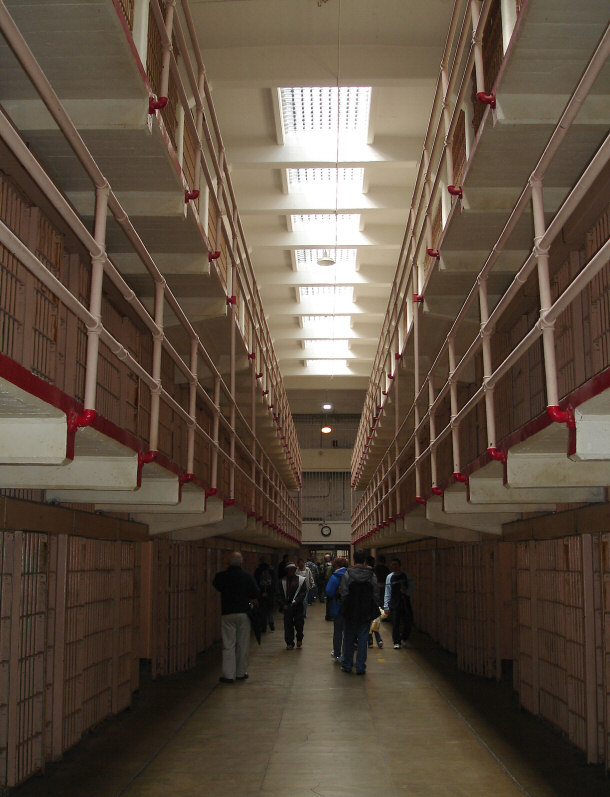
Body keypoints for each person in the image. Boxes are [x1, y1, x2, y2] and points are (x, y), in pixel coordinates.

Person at [213, 551, 260, 683]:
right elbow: (255, 592)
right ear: (241, 562)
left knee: (228, 645)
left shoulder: (222, 576)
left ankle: (228, 675)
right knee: (242, 644)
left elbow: (216, 584)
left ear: (229, 562)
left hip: (227, 613)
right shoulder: (247, 576)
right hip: (243, 613)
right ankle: (240, 673)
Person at [338, 550, 378, 674]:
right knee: (363, 638)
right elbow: (375, 594)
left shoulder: (347, 574)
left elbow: (343, 592)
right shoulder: (371, 575)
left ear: (353, 559)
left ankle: (347, 664)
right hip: (365, 610)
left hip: (350, 610)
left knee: (348, 638)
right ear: (364, 559)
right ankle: (360, 666)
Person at [384, 557, 415, 649]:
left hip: (405, 602)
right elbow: (387, 592)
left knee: (408, 622)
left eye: (396, 564)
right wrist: (386, 606)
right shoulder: (389, 577)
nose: (394, 567)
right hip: (394, 603)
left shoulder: (406, 576)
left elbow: (412, 587)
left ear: (400, 566)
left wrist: (407, 592)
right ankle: (396, 641)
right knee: (395, 623)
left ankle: (404, 638)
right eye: (392, 565)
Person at [277, 562, 307, 649]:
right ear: (287, 571)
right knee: (288, 625)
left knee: (299, 624)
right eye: (289, 569)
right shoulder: (282, 581)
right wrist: (282, 604)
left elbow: (303, 592)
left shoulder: (301, 580)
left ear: (295, 570)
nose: (291, 571)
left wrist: (297, 601)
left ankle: (299, 639)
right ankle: (289, 643)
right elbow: (279, 594)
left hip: (298, 606)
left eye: (292, 569)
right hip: (287, 606)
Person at [325, 556, 348, 663]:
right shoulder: (350, 575)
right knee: (348, 631)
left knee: (338, 631)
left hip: (337, 607)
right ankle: (348, 652)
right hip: (349, 607)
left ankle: (337, 652)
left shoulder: (335, 577)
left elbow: (329, 591)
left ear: (337, 565)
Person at [254, 556, 275, 632]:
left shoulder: (258, 571)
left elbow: (255, 583)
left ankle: (264, 627)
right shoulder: (271, 571)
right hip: (270, 593)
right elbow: (274, 583)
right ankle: (271, 622)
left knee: (263, 610)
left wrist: (259, 593)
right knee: (270, 609)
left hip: (261, 593)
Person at [322, 553, 334, 619]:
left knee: (329, 600)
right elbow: (328, 577)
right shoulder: (330, 566)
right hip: (329, 584)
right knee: (330, 601)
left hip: (327, 584)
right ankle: (329, 615)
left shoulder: (324, 565)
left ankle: (328, 615)